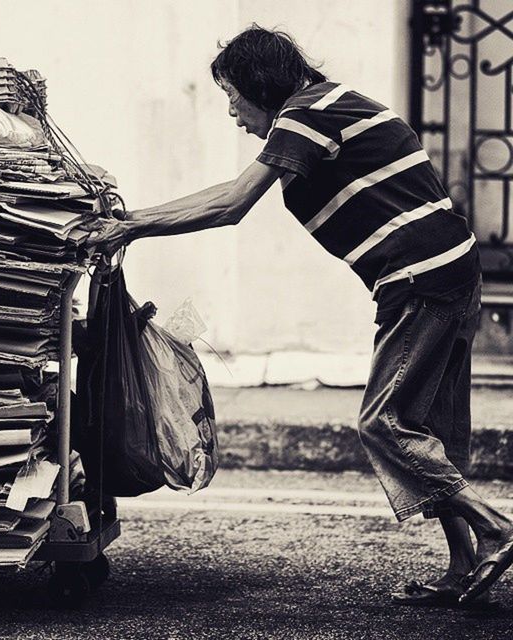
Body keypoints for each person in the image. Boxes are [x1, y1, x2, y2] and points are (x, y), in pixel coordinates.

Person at [90, 25, 513, 607]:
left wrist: (133, 223)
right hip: (453, 270)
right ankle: (465, 566)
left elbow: (231, 203)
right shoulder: (335, 103)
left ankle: (493, 527)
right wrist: (135, 220)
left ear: (260, 84)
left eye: (233, 96)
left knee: (384, 423)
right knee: (432, 428)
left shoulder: (305, 114)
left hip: (419, 279)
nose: (233, 113)